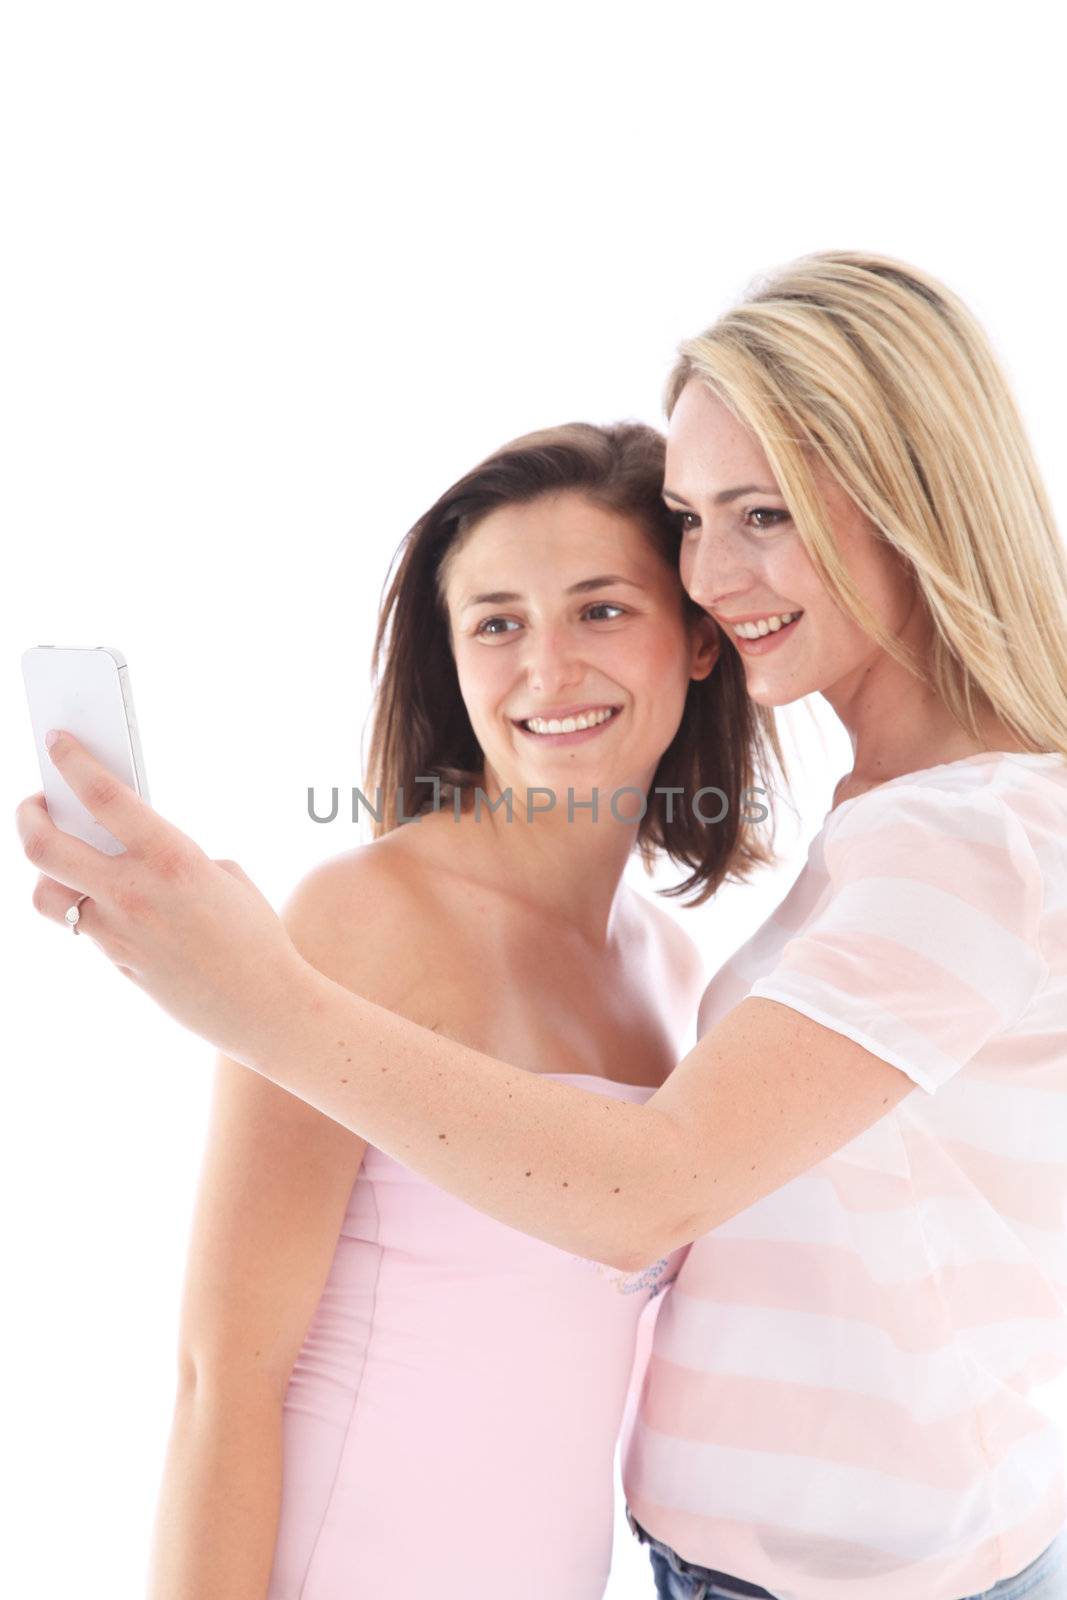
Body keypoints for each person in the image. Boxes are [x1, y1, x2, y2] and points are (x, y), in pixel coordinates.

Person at [19, 251, 1067, 1600]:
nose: (718, 573)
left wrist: (251, 995)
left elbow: (645, 1190)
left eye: (761, 514)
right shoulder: (853, 844)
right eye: (694, 520)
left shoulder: (925, 853)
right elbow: (223, 1377)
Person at [140, 420, 781, 1599]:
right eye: (497, 623)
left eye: (599, 609)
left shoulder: (674, 967)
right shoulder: (360, 919)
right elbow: (218, 1377)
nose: (546, 670)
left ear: (697, 638)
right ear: (453, 656)